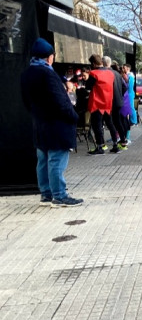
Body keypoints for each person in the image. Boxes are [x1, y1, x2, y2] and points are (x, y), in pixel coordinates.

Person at [20, 38, 83, 207]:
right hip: (57, 124)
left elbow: (26, 101)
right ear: (49, 57)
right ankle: (59, 195)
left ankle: (46, 194)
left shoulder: (27, 74)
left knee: (43, 160)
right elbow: (60, 101)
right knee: (56, 159)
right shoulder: (48, 73)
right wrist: (73, 116)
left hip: (39, 123)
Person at [85, 54, 120, 155]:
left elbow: (88, 87)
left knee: (97, 126)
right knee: (110, 124)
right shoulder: (110, 73)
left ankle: (100, 146)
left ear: (93, 63)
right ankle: (115, 145)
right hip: (108, 102)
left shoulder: (94, 73)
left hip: (97, 103)